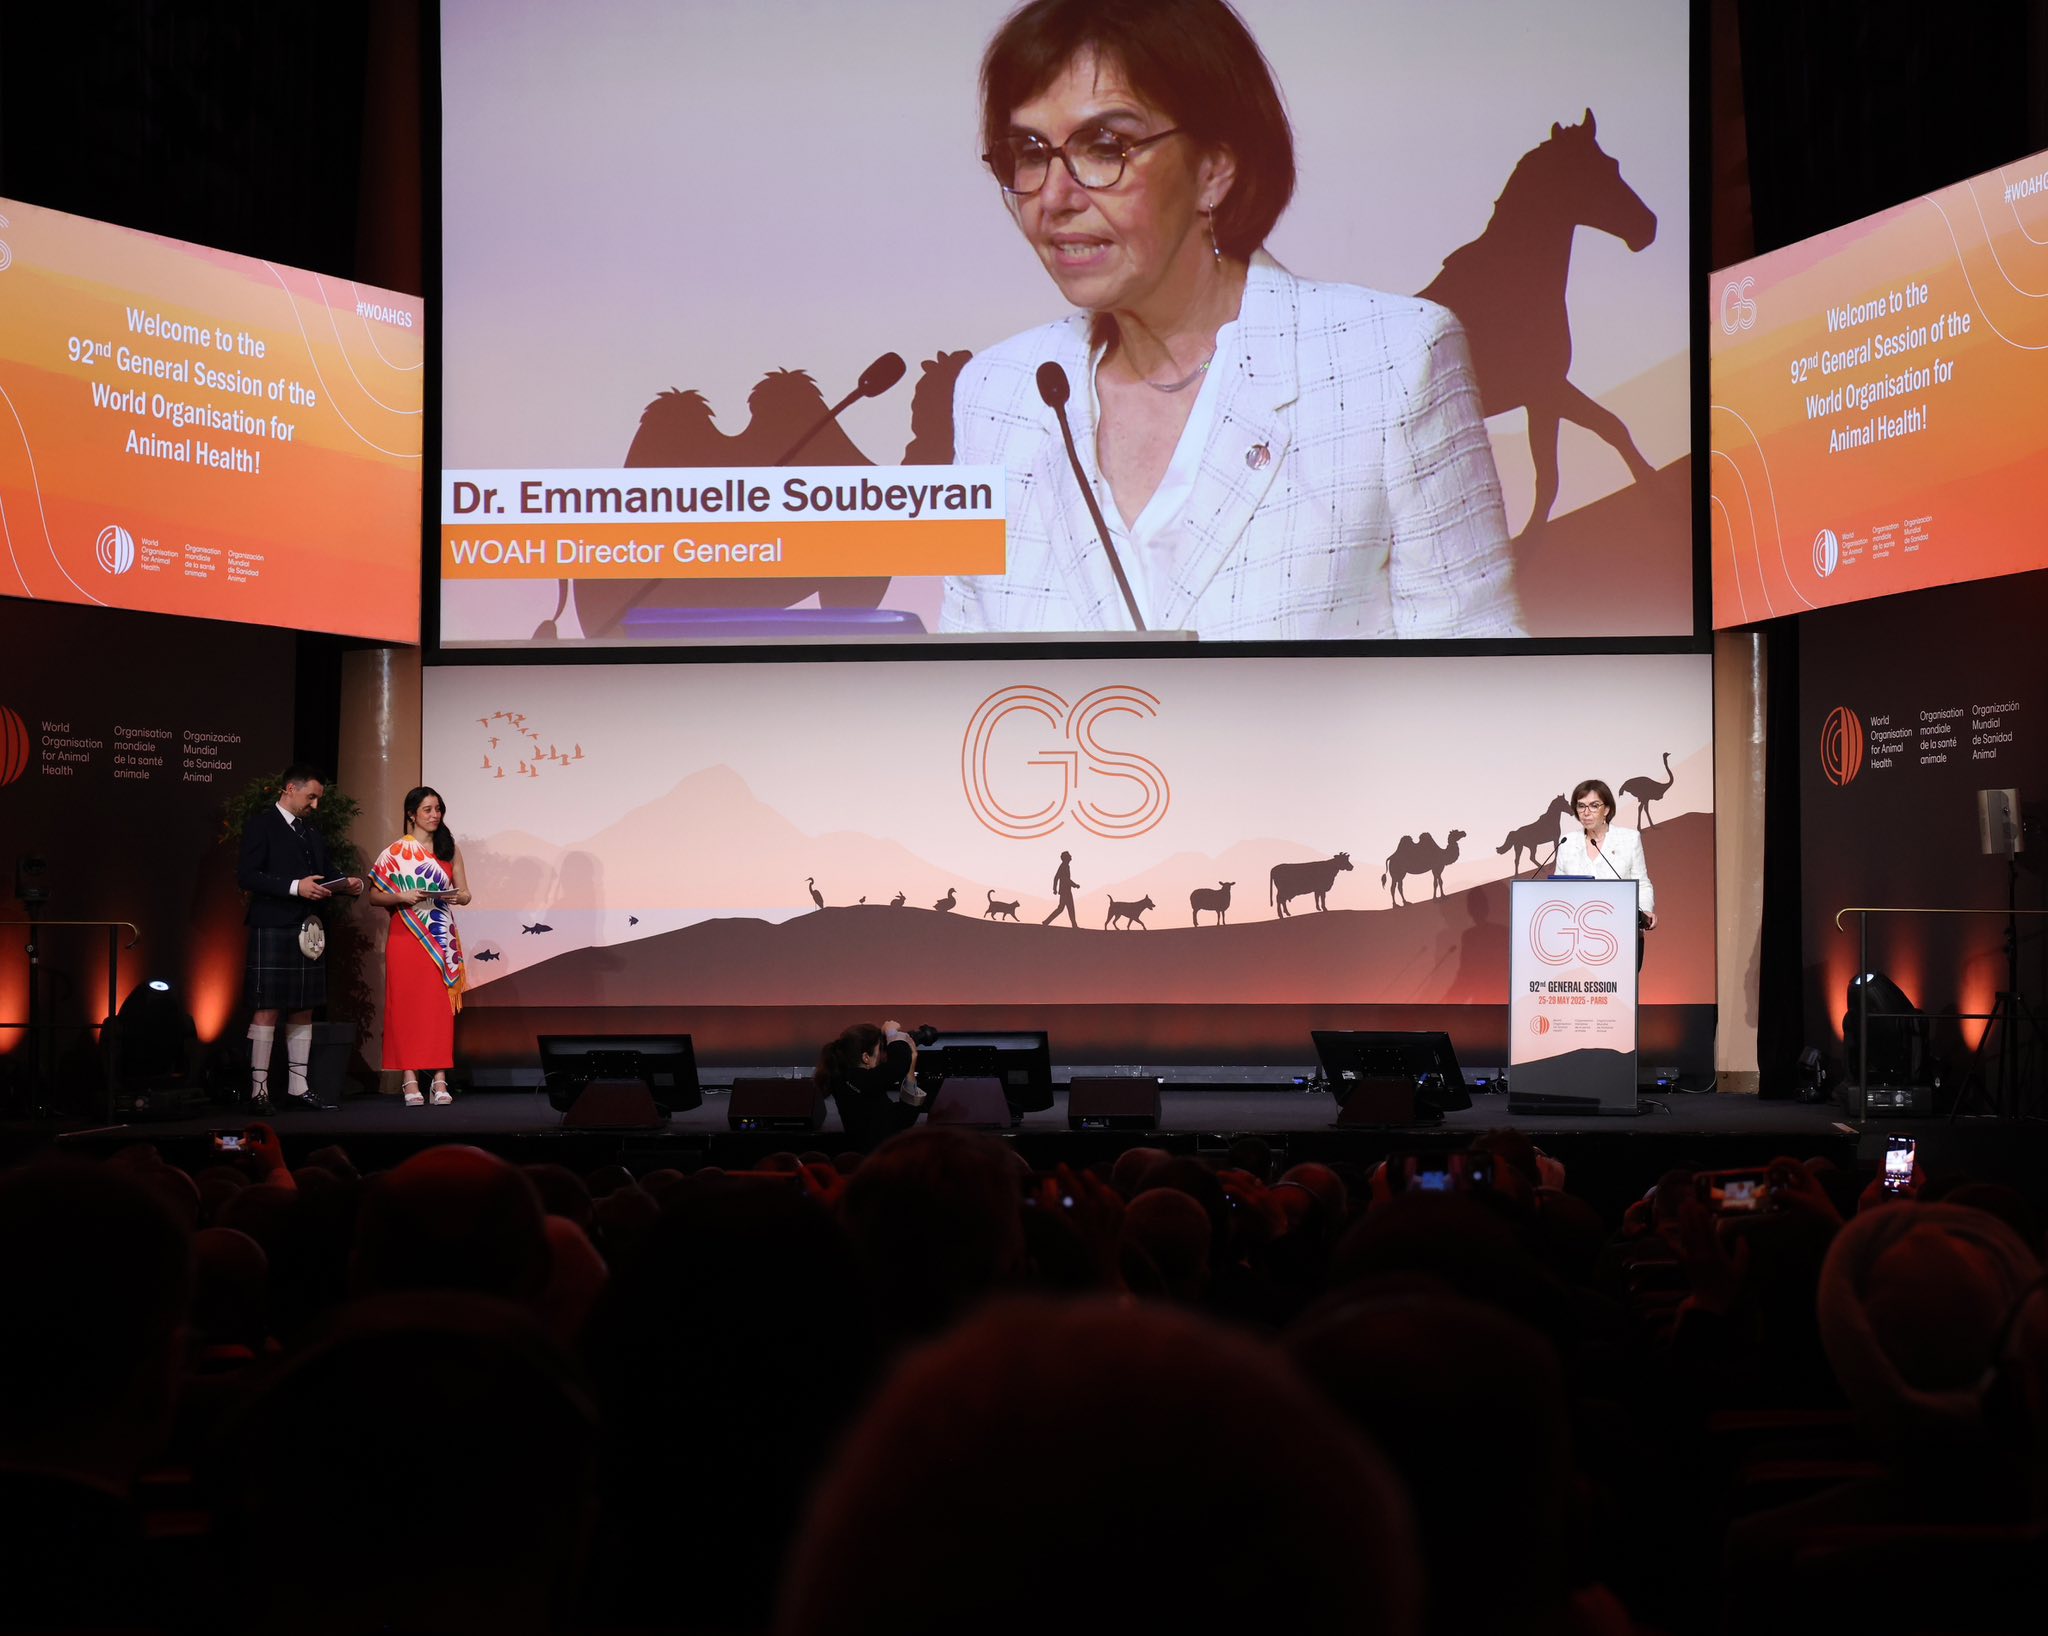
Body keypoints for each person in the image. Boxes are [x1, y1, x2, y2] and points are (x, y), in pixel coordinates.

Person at [941, 0, 1522, 640]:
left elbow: (1477, 677)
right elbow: (962, 676)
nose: (1054, 197)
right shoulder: (997, 396)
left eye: (1104, 147)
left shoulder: (1391, 363)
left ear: (1213, 169)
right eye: (1029, 153)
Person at [236, 764, 363, 1112]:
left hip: (309, 930)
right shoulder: (262, 824)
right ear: (290, 789)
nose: (315, 805)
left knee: (304, 1008)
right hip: (273, 926)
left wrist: (347, 883)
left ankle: (298, 1088)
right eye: (311, 797)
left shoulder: (311, 831)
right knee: (266, 1009)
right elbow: (247, 876)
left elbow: (326, 871)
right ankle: (258, 1091)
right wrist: (295, 887)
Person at [367, 786, 470, 1106]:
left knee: (439, 1009)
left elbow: (465, 892)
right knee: (406, 1007)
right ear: (411, 814)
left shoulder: (449, 849)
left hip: (439, 936)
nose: (434, 815)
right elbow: (374, 896)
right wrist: (401, 896)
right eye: (427, 809)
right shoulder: (394, 853)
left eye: (438, 809)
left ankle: (439, 1080)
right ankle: (409, 1079)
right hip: (405, 936)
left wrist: (458, 896)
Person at [1553, 776, 1656, 969]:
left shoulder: (1629, 839)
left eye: (1594, 806)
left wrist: (1645, 911)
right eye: (1581, 806)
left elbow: (1642, 883)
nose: (1586, 812)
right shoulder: (1567, 842)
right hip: (1576, 937)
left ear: (1606, 809)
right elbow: (1557, 888)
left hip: (1621, 933)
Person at [814, 1021, 928, 1151]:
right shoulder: (853, 1079)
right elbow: (897, 1067)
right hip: (870, 1158)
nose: (884, 1056)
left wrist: (910, 1069)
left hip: (882, 1155)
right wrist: (892, 1033)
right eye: (880, 1050)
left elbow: (902, 1118)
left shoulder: (860, 1082)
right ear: (866, 1057)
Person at [1042, 848, 1079, 926]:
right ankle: (1074, 925)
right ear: (1066, 858)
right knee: (1069, 908)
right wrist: (1074, 885)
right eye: (1069, 856)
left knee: (1062, 908)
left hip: (1065, 891)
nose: (1071, 856)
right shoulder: (1064, 866)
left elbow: (1057, 878)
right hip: (1065, 891)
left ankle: (1046, 922)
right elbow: (1064, 879)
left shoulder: (1065, 866)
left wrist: (1055, 889)